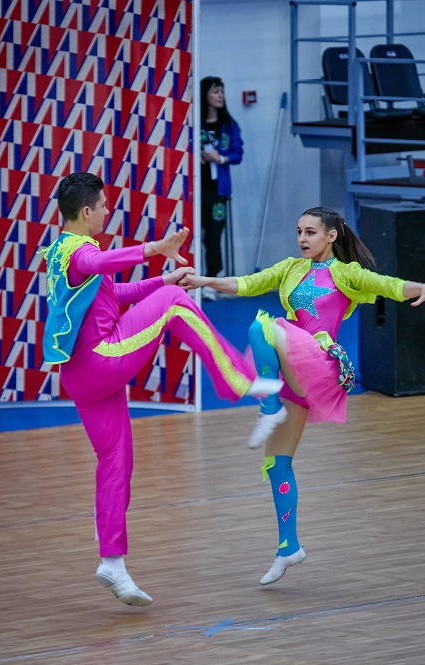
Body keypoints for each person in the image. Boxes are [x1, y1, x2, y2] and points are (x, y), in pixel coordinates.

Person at [41, 171, 281, 607]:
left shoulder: (58, 249)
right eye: (104, 205)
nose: (108, 210)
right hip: (101, 359)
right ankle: (240, 382)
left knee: (116, 460)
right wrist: (154, 249)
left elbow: (115, 292)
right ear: (86, 211)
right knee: (175, 306)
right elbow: (98, 265)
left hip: (80, 376)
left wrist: (163, 280)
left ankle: (112, 563)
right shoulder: (80, 250)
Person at [179, 205, 425, 586]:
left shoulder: (346, 273)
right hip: (292, 370)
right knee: (276, 464)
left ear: (331, 236)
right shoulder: (291, 268)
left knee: (264, 327)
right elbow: (247, 284)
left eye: (310, 232)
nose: (302, 239)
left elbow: (386, 284)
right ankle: (288, 547)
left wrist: (420, 288)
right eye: (299, 232)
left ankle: (269, 406)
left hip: (318, 361)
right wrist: (203, 280)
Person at [200, 76, 243, 297]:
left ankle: (212, 281)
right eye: (216, 91)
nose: (220, 96)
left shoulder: (228, 125)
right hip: (194, 191)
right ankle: (189, 280)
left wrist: (220, 158)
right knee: (191, 235)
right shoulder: (194, 121)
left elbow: (238, 153)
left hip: (218, 191)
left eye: (222, 92)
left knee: (214, 236)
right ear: (205, 94)